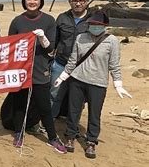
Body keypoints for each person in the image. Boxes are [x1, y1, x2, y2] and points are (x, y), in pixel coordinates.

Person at [54, 10, 132, 158]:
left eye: (99, 24)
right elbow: (73, 59)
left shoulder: (112, 40)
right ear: (88, 25)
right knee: (73, 111)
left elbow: (114, 64)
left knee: (94, 114)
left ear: (104, 25)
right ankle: (70, 137)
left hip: (98, 83)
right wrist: (64, 75)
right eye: (92, 24)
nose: (95, 26)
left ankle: (91, 141)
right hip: (77, 80)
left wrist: (118, 84)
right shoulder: (80, 38)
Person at [8, 0, 67, 153]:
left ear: (40, 1)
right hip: (20, 71)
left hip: (40, 70)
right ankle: (19, 133)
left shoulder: (48, 21)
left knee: (44, 106)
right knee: (19, 104)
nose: (32, 2)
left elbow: (50, 50)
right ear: (24, 1)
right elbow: (10, 47)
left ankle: (52, 137)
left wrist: (42, 38)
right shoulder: (17, 21)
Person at [50, 0, 91, 118]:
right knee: (54, 94)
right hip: (61, 64)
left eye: (82, 1)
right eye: (75, 1)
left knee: (79, 99)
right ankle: (48, 122)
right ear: (69, 1)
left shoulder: (93, 20)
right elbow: (54, 41)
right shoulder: (62, 18)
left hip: (82, 66)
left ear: (88, 1)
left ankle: (73, 125)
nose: (78, 3)